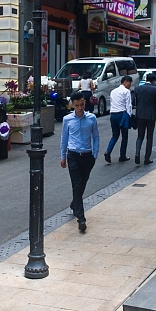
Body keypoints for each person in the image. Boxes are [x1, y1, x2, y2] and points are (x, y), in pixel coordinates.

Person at [60, 91, 100, 233]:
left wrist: (95, 153)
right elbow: (64, 139)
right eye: (77, 105)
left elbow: (96, 136)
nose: (80, 107)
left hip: (88, 156)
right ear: (72, 105)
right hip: (73, 156)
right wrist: (63, 156)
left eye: (82, 104)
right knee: (77, 185)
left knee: (82, 185)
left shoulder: (92, 118)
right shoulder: (67, 120)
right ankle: (81, 219)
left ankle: (74, 204)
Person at [134, 72, 156, 165]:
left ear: (146, 79)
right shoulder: (155, 89)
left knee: (140, 136)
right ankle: (147, 158)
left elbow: (134, 102)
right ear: (153, 81)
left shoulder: (138, 88)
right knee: (149, 137)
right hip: (151, 115)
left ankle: (137, 152)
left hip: (140, 114)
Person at [104, 75, 133, 163]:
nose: (130, 85)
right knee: (124, 136)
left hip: (113, 114)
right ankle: (122, 155)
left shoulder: (113, 91)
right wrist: (130, 116)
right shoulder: (126, 91)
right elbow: (129, 105)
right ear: (125, 81)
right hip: (122, 114)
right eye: (129, 83)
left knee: (115, 135)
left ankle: (108, 151)